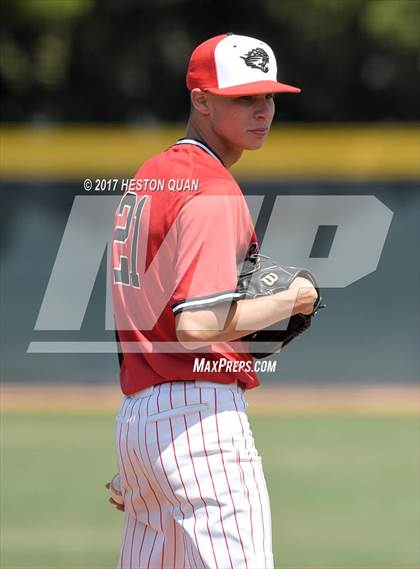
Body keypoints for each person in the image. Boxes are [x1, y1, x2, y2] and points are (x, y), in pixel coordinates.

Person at [110, 33, 317, 569]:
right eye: (243, 97)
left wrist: (144, 455)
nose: (262, 111)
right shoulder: (212, 188)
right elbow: (198, 325)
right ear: (201, 99)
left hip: (143, 418)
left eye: (268, 97)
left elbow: (139, 314)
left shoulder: (150, 176)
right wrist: (296, 298)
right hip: (201, 420)